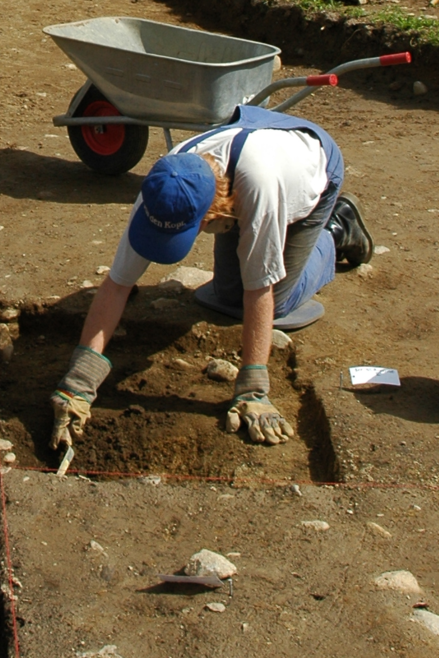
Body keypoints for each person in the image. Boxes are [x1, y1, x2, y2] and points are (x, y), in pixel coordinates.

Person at [50, 104, 372, 453]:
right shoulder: (166, 183)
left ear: (210, 215)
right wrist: (78, 384)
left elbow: (260, 291)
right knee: (227, 296)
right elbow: (117, 285)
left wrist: (253, 390)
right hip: (249, 158)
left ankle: (337, 230)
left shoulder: (260, 190)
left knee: (277, 301)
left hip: (310, 167)